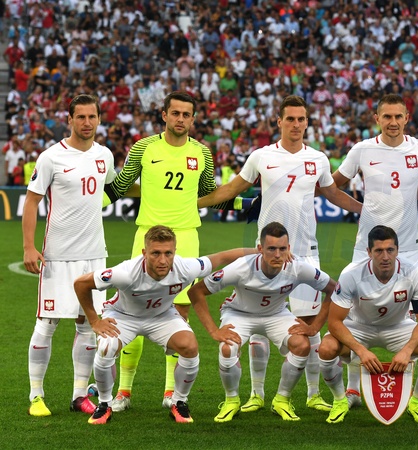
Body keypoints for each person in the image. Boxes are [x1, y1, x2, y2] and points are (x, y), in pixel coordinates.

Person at [198, 95, 362, 413]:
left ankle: (313, 394)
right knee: (259, 322)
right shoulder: (261, 156)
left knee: (308, 328)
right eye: (290, 119)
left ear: (307, 122)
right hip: (267, 253)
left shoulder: (318, 159)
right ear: (279, 121)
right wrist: (193, 203)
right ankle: (256, 394)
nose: (296, 124)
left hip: (305, 254)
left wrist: (364, 209)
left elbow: (332, 193)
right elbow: (231, 189)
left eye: (301, 119)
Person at [102, 91, 251, 412]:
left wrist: (244, 203)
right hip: (146, 237)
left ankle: (171, 390)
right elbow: (120, 187)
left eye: (186, 114)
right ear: (164, 115)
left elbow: (210, 195)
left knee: (179, 314)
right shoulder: (143, 147)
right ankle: (124, 391)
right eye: (175, 113)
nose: (181, 119)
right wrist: (86, 201)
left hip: (185, 238)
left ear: (193, 119)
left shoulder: (202, 153)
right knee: (131, 310)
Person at [73, 225, 256, 424]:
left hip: (162, 316)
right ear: (144, 253)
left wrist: (260, 251)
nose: (162, 260)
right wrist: (95, 321)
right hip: (124, 316)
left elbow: (222, 257)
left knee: (189, 346)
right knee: (106, 346)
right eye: (155, 253)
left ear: (175, 252)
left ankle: (179, 402)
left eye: (168, 253)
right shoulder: (126, 272)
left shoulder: (185, 267)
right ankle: (104, 404)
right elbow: (81, 283)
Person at [330, 93, 418, 407]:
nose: (393, 122)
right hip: (366, 249)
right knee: (354, 317)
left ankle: (404, 390)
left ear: (407, 118)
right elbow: (332, 185)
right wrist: (360, 208)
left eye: (398, 116)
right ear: (377, 119)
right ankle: (353, 389)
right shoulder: (362, 150)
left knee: (408, 320)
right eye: (387, 116)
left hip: (408, 250)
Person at [187, 222, 337, 422]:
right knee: (227, 347)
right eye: (271, 249)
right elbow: (196, 291)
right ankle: (231, 400)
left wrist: (315, 327)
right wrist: (214, 331)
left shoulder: (298, 267)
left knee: (302, 345)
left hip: (276, 314)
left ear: (289, 248)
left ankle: (282, 400)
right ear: (260, 248)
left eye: (282, 249)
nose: (278, 255)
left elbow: (334, 289)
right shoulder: (241, 267)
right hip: (239, 314)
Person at [23, 94, 115, 417]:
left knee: (88, 325)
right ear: (70, 119)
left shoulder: (105, 155)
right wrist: (29, 246)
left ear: (99, 119)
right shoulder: (51, 157)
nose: (87, 123)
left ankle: (79, 394)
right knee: (47, 323)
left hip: (94, 255)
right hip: (58, 256)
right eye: (81, 117)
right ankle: (36, 395)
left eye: (92, 117)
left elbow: (113, 188)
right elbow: (31, 201)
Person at [318, 225, 418, 424]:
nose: (385, 257)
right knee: (326, 349)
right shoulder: (352, 274)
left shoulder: (414, 273)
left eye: (390, 250)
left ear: (397, 250)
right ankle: (339, 400)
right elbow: (334, 322)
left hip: (398, 326)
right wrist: (361, 351)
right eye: (378, 251)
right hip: (359, 327)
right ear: (369, 252)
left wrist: (407, 350)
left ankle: (417, 401)